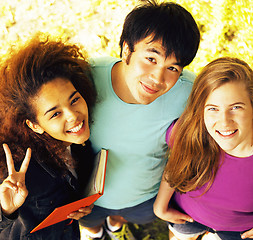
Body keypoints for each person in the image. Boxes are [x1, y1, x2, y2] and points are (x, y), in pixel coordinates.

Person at [79, 1, 200, 239]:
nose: (158, 78)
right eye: (151, 59)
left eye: (173, 68)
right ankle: (96, 234)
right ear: (126, 50)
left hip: (145, 196)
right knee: (89, 223)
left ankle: (115, 226)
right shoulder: (85, 78)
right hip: (87, 196)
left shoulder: (190, 92)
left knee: (125, 217)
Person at [0, 37, 97, 239]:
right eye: (55, 114)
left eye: (74, 100)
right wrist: (6, 211)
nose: (73, 115)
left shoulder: (79, 142)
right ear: (34, 125)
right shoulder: (15, 170)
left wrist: (79, 205)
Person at [153, 57, 253, 240]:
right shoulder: (190, 132)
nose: (224, 122)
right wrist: (160, 205)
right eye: (213, 109)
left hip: (238, 230)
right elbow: (175, 164)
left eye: (236, 107)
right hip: (186, 216)